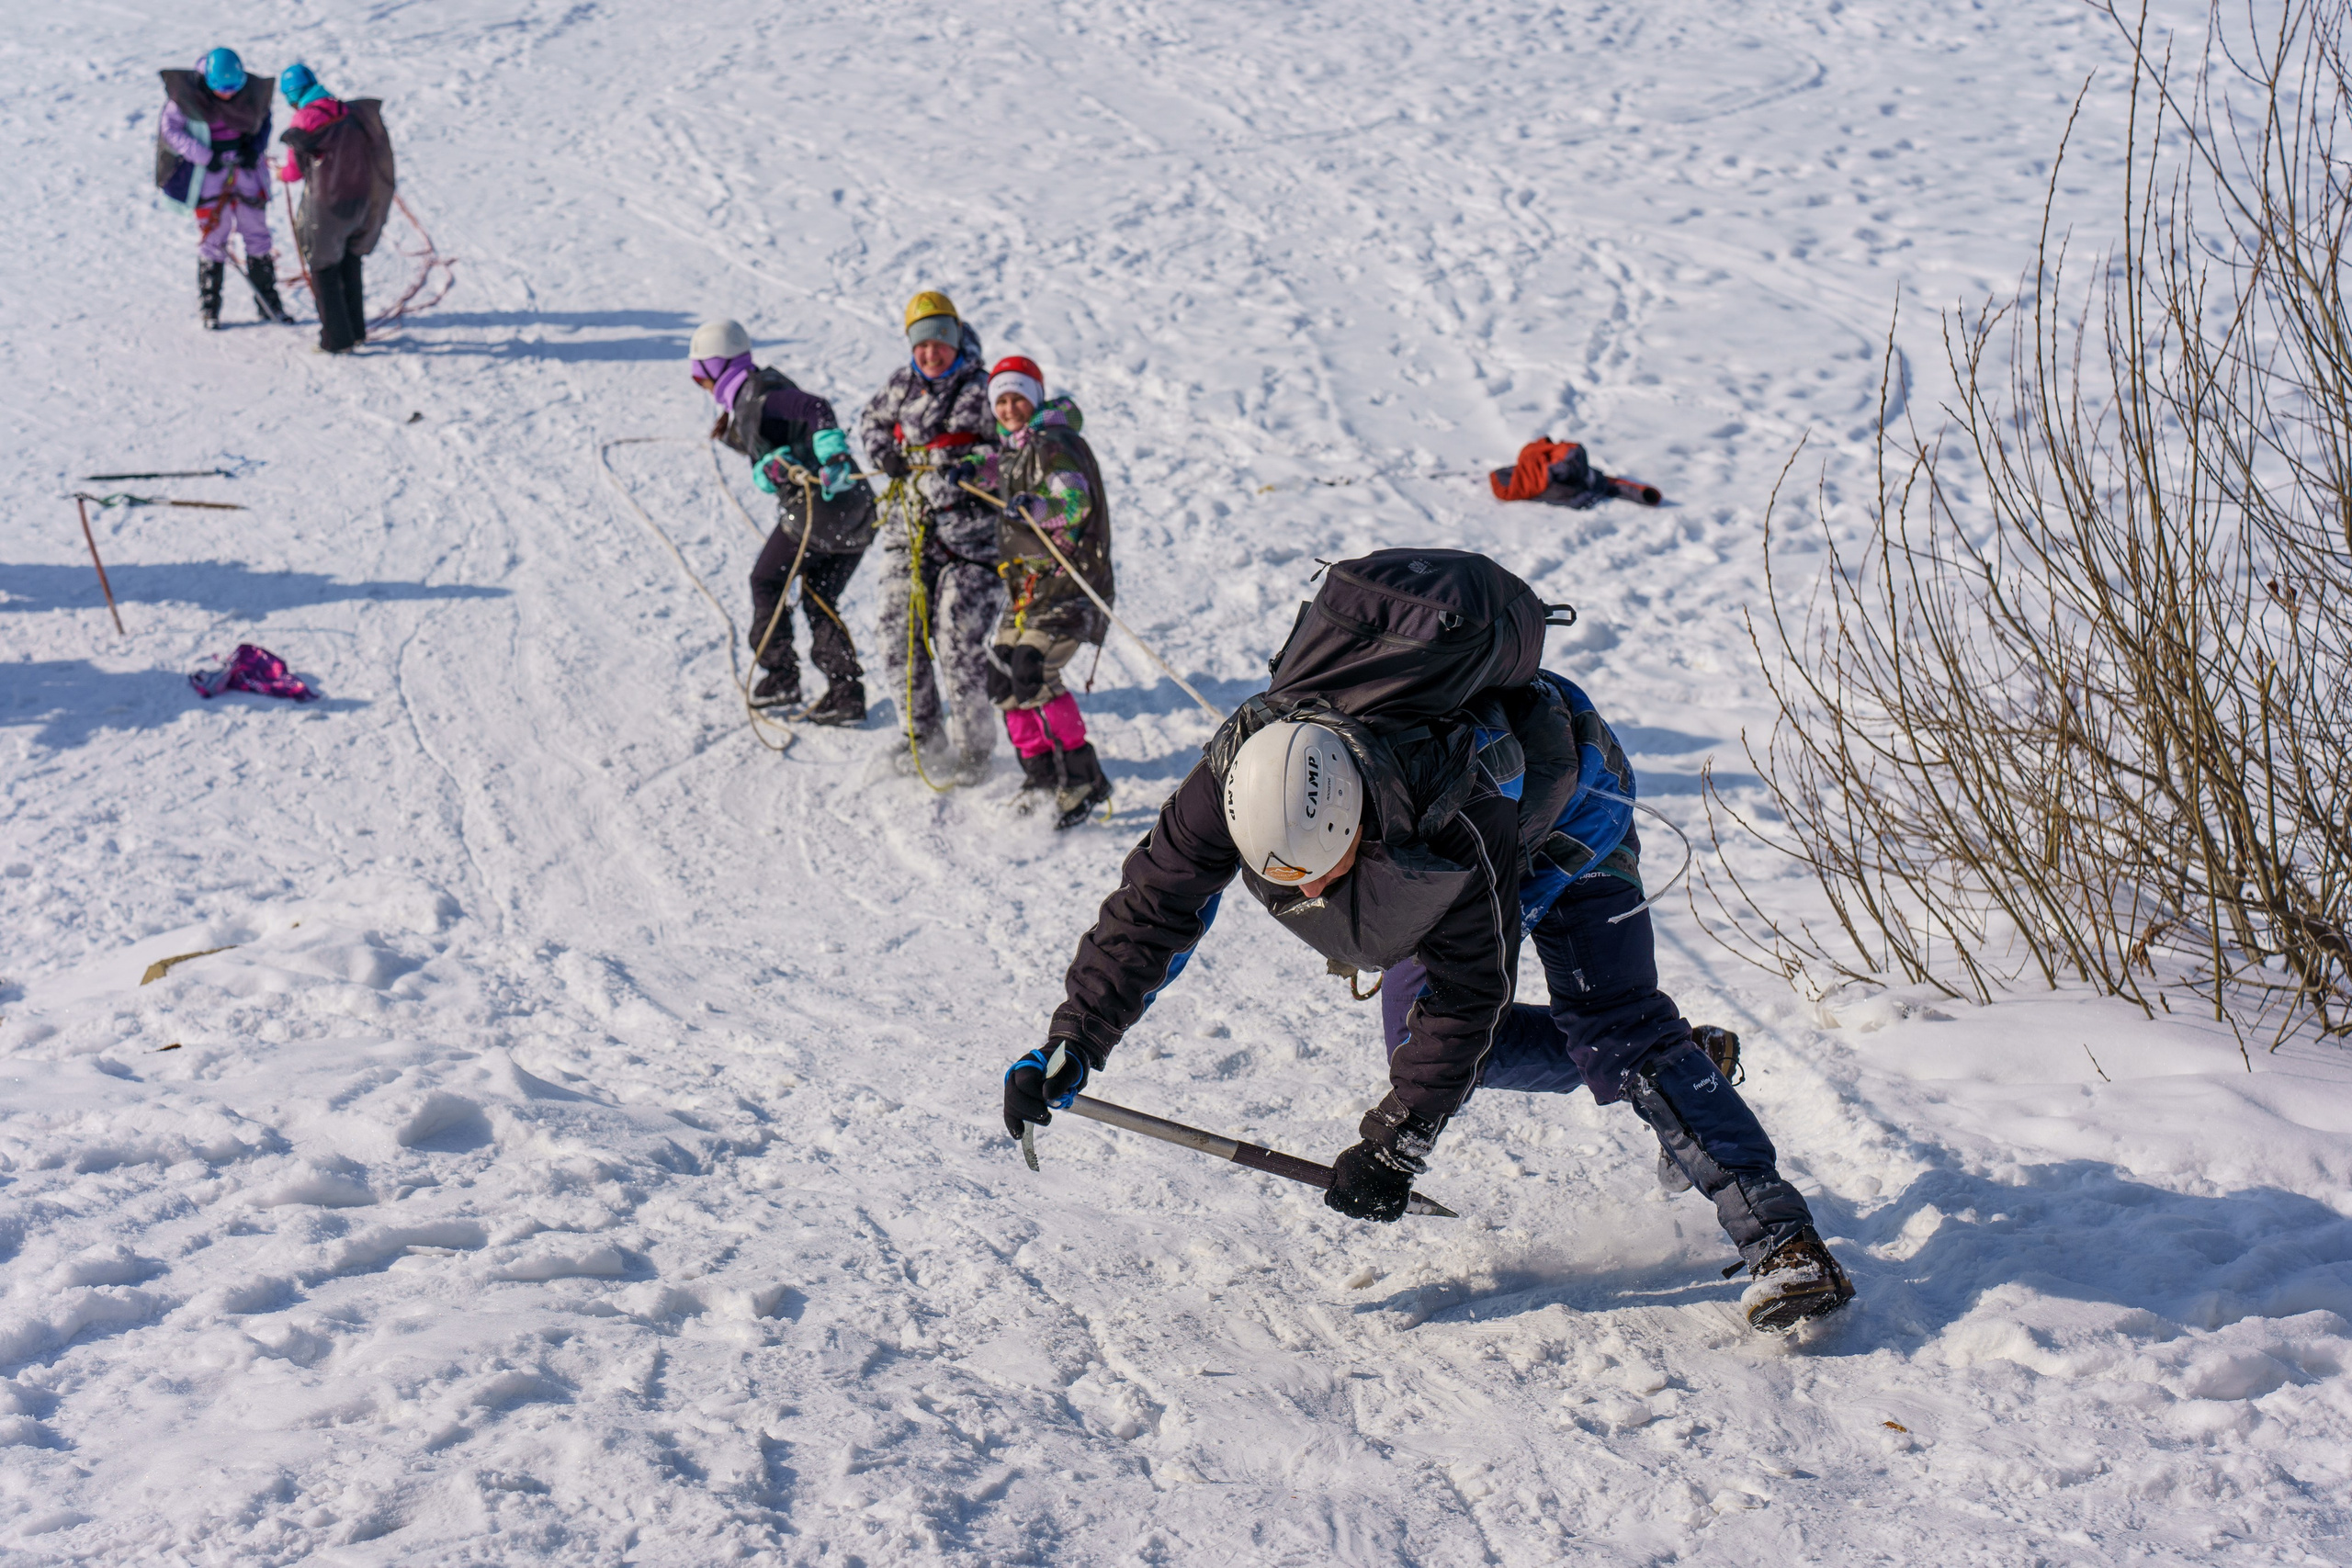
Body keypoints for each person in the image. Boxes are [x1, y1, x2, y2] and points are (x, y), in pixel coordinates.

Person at [1004, 548, 1857, 1333]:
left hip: (1577, 807)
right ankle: (1681, 1072)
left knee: (1616, 1022)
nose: (1306, 898)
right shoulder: (1235, 772)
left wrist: (1393, 1144)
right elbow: (1151, 908)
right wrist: (1075, 1037)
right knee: (1447, 1052)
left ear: (1357, 818)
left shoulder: (1451, 806)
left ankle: (1780, 1237)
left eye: (1322, 874)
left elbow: (1470, 992)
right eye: (1287, 882)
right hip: (1437, 839)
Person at [691, 319, 875, 725]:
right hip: (857, 510)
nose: (698, 383)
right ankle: (845, 692)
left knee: (767, 581)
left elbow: (815, 408)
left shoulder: (762, 395)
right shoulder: (749, 396)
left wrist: (833, 455)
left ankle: (781, 676)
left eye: (699, 373)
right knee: (819, 595)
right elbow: (772, 448)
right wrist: (771, 467)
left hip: (822, 508)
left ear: (716, 367)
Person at [857, 291, 1001, 782]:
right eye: (921, 343)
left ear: (956, 339)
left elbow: (1017, 448)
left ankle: (975, 750)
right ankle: (922, 735)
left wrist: (975, 467)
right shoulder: (901, 386)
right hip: (909, 531)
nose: (930, 352)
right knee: (896, 631)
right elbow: (871, 421)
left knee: (957, 637)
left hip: (972, 543)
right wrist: (884, 453)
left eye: (940, 340)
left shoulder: (984, 391)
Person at [979, 355, 1114, 827]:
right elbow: (993, 467)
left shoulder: (1053, 443)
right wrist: (966, 471)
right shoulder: (1016, 448)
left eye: (1018, 397)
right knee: (1001, 678)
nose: (1010, 407)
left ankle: (1083, 779)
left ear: (1034, 399)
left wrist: (1038, 506)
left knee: (1032, 672)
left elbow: (1074, 502)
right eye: (1002, 399)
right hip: (1027, 593)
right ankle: (1038, 775)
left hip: (1069, 587)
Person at [156, 48, 290, 330]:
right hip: (209, 173)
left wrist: (254, 148)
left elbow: (264, 120)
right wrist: (204, 155)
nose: (228, 94)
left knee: (257, 234)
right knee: (213, 237)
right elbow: (170, 131)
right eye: (222, 88)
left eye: (234, 88)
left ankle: (269, 303)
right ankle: (210, 306)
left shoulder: (251, 94)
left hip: (245, 169)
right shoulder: (184, 98)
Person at [275, 63, 396, 355]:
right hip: (362, 200)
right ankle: (356, 331)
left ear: (291, 96)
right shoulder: (346, 110)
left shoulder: (304, 118)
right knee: (350, 262)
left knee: (323, 269)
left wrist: (280, 173)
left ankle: (335, 339)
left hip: (327, 206)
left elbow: (293, 172)